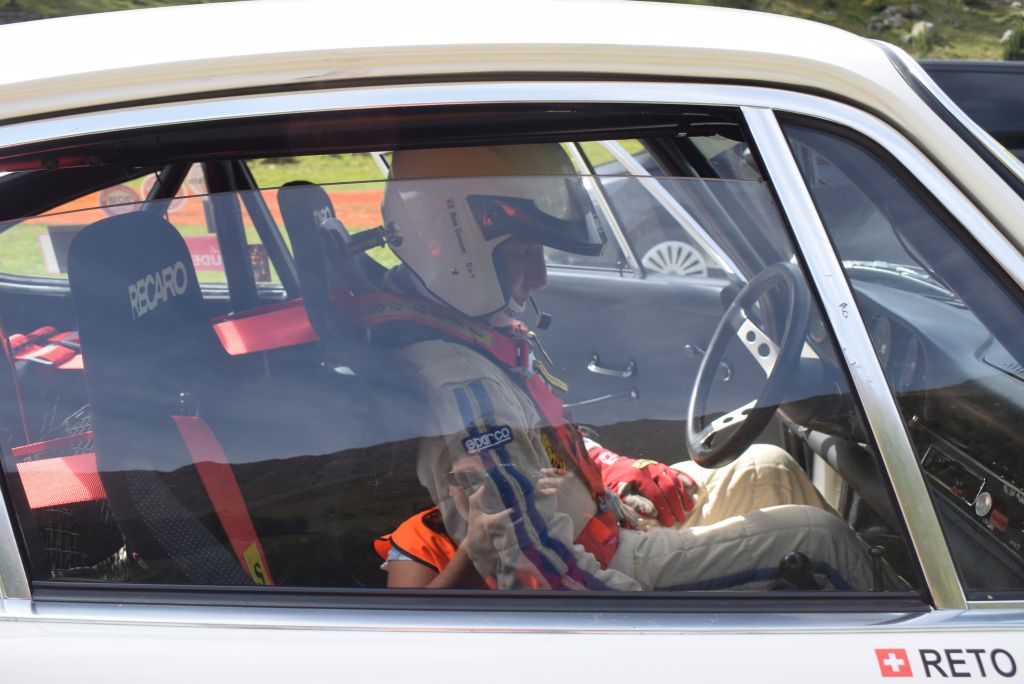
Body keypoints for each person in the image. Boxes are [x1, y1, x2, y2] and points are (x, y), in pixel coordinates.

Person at [364, 143, 887, 592]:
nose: (540, 276)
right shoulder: (462, 387)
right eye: (523, 252)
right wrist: (645, 618)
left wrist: (612, 469)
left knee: (767, 466)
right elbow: (542, 578)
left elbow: (539, 445)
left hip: (604, 521)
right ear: (458, 252)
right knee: (824, 544)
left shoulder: (470, 333)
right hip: (605, 572)